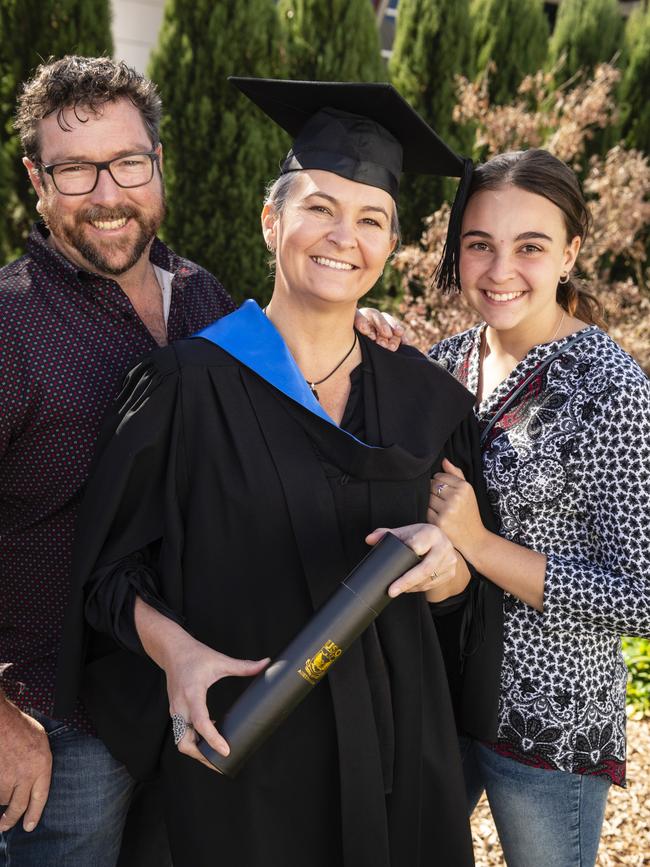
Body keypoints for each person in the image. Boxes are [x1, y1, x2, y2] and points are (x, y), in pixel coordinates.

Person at [55, 78, 503, 867]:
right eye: (319, 206)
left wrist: (451, 574)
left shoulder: (428, 402)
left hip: (405, 768)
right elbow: (106, 575)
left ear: (391, 246)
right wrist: (176, 654)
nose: (343, 235)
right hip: (250, 758)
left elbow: (466, 595)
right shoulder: (188, 387)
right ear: (272, 220)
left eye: (371, 219)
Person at [362, 148, 650, 867]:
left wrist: (480, 544)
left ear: (570, 250)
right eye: (479, 244)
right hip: (444, 694)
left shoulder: (611, 390)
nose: (499, 270)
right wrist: (360, 338)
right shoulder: (449, 360)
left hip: (547, 721)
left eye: (530, 246)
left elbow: (642, 597)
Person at [0, 55, 235, 867]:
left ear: (158, 164)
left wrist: (360, 328)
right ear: (37, 179)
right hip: (56, 730)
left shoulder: (205, 297)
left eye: (127, 161)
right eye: (74, 169)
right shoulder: (8, 326)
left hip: (190, 704)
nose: (108, 193)